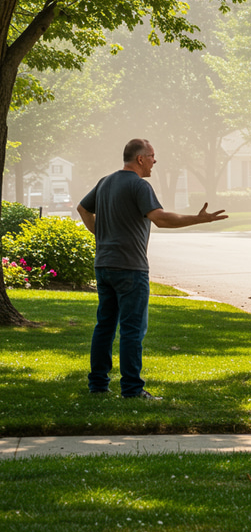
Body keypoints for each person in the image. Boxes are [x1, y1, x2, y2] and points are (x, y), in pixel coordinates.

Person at [77, 138, 227, 399]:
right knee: (132, 330)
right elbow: (160, 218)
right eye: (152, 156)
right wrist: (198, 219)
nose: (155, 161)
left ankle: (98, 386)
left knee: (104, 326)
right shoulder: (139, 185)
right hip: (130, 269)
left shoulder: (105, 182)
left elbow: (82, 208)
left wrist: (100, 233)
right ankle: (132, 390)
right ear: (140, 159)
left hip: (103, 265)